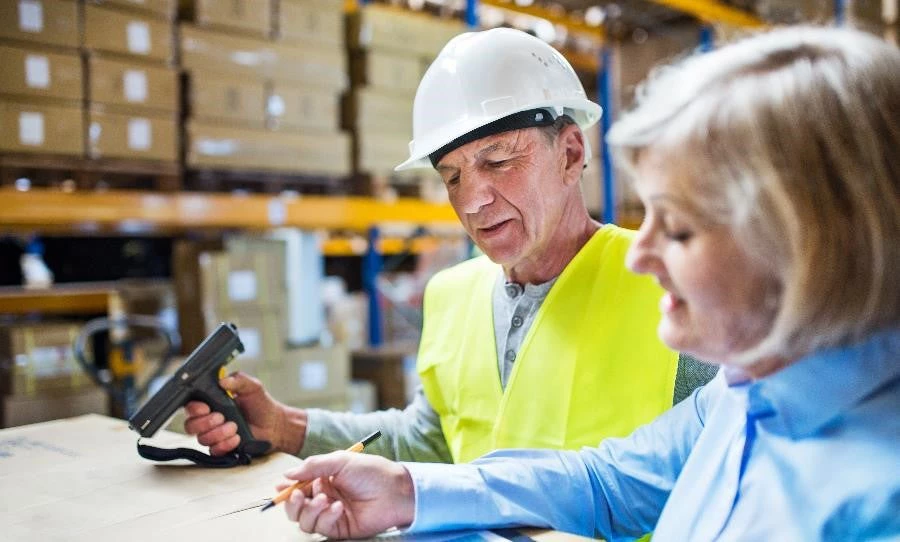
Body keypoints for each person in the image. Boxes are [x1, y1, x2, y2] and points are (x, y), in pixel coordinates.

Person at [273, 26, 900, 540]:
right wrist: (406, 491)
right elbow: (604, 482)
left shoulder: (874, 500)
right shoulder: (744, 396)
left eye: (678, 228)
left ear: (804, 242)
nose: (640, 253)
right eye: (453, 176)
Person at [183, 28, 715, 464]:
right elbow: (431, 443)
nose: (475, 201)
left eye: (499, 160)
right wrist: (286, 425)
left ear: (571, 154)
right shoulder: (450, 295)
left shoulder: (670, 287)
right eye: (452, 176)